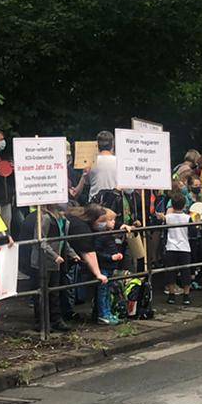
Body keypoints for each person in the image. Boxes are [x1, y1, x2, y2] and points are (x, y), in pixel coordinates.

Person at [32, 204, 71, 332]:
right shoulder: (45, 218)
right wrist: (54, 256)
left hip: (56, 261)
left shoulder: (63, 220)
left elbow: (64, 240)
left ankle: (56, 319)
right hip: (44, 260)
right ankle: (41, 321)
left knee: (55, 292)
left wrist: (72, 254)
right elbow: (40, 240)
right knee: (43, 292)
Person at [69, 131, 119, 210]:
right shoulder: (120, 162)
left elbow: (86, 182)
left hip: (95, 206)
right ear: (113, 144)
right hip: (115, 204)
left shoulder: (90, 162)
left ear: (97, 145)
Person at [162, 197, 193, 306]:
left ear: (172, 205)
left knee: (170, 271)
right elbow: (192, 232)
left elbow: (164, 231)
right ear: (184, 205)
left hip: (171, 246)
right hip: (184, 247)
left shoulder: (167, 218)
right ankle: (186, 296)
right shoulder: (188, 218)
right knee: (186, 272)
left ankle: (171, 295)